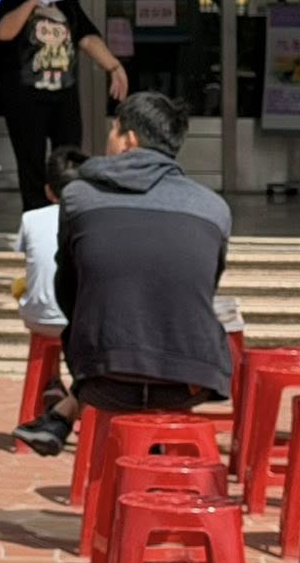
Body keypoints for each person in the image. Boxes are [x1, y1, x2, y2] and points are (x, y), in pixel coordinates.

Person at [15, 94, 232, 455]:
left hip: (102, 376)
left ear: (129, 139)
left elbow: (68, 288)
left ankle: (65, 414)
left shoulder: (79, 197)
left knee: (106, 329)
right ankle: (149, 449)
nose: (109, 138)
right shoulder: (214, 208)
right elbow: (205, 286)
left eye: (113, 130)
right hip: (191, 379)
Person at [0, 0, 127, 209]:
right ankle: (35, 213)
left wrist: (114, 67)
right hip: (25, 95)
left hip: (64, 93)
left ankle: (68, 209)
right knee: (30, 158)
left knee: (69, 155)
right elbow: (3, 32)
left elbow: (86, 37)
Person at [13, 145, 86, 425]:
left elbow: (31, 261)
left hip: (38, 316)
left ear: (48, 190)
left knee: (23, 285)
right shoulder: (92, 218)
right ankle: (73, 387)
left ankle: (53, 379)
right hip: (79, 321)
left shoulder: (30, 218)